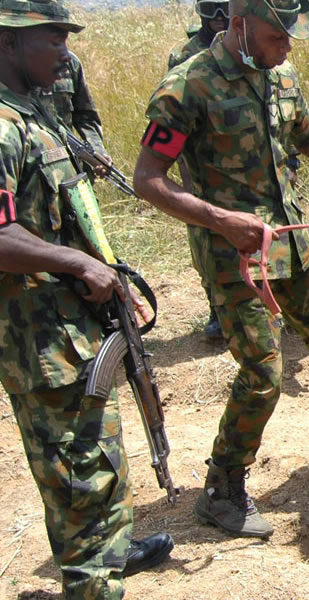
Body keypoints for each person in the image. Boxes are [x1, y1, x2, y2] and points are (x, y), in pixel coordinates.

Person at [134, 0, 309, 540]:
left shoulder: (280, 75)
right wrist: (221, 220)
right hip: (234, 257)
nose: (287, 47)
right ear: (239, 26)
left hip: (291, 240)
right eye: (276, 36)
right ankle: (222, 488)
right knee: (264, 374)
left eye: (291, 38)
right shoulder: (187, 86)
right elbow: (148, 178)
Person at [0, 1, 173, 597]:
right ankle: (92, 582)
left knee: (102, 456)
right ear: (9, 43)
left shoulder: (38, 114)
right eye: (53, 40)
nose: (65, 52)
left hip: (74, 329)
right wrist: (77, 263)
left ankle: (113, 551)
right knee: (79, 476)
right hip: (39, 342)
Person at [168, 0, 231, 340]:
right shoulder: (184, 56)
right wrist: (186, 174)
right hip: (200, 162)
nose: (221, 19)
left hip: (241, 160)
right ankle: (216, 310)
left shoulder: (247, 45)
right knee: (204, 238)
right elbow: (174, 120)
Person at [37, 50, 112, 181]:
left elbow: (86, 117)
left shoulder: (69, 63)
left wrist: (97, 151)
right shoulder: (9, 65)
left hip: (68, 166)